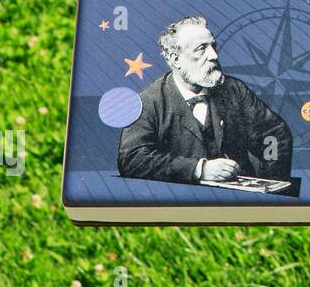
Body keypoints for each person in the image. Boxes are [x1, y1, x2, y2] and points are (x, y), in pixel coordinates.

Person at [117, 15, 293, 185]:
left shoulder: (234, 90)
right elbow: (131, 160)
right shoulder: (148, 102)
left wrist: (272, 184)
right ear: (175, 59)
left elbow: (276, 135)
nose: (214, 55)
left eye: (213, 46)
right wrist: (199, 169)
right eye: (202, 48)